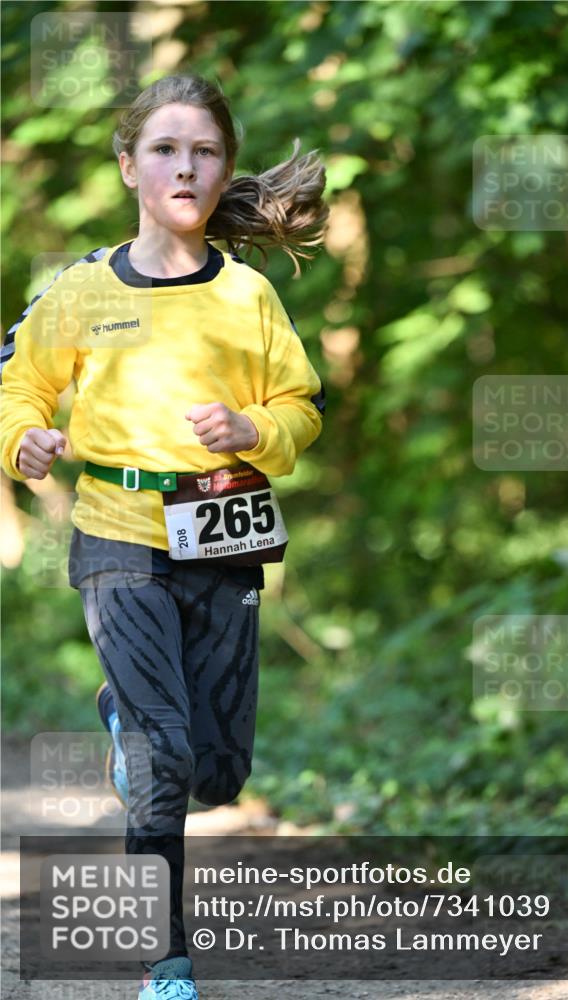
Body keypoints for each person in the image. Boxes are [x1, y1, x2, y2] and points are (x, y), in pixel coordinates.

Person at [0, 72, 328, 1000]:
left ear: (225, 171)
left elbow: (299, 405)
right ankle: (168, 964)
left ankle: (130, 726)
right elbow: (17, 383)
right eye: (165, 149)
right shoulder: (79, 291)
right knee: (161, 759)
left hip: (222, 531)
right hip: (116, 533)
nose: (186, 166)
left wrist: (253, 431)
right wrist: (23, 438)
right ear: (127, 167)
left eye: (206, 151)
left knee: (217, 774)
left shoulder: (248, 298)